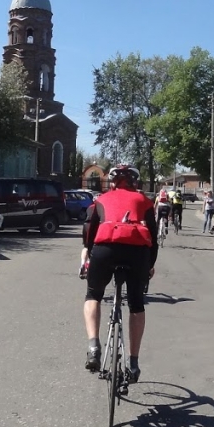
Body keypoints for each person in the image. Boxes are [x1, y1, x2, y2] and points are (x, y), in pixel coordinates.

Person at [80, 164, 158, 384]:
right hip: (137, 253)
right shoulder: (144, 201)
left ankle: (93, 347)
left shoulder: (102, 200)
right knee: (136, 305)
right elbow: (153, 238)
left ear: (112, 182)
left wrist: (90, 254)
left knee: (93, 295)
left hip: (105, 250)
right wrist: (150, 265)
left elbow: (89, 231)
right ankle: (133, 363)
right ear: (135, 182)